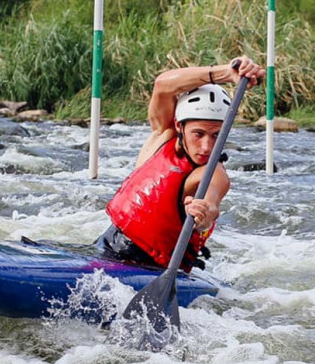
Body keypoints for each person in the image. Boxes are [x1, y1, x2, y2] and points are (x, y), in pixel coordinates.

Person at [96, 56, 265, 272]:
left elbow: (211, 205)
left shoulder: (213, 174)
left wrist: (203, 215)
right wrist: (225, 73)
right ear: (179, 126)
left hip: (151, 268)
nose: (206, 147)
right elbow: (163, 85)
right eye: (199, 134)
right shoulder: (162, 136)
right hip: (106, 245)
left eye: (216, 135)